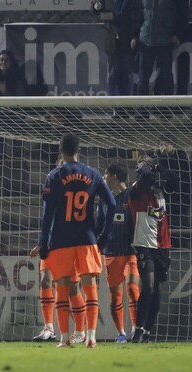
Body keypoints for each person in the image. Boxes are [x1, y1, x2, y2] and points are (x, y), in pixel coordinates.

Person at [33, 133, 116, 348]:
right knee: (89, 287)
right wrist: (102, 232)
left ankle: (64, 339)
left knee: (62, 287)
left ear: (61, 151)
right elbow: (112, 204)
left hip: (61, 240)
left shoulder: (55, 175)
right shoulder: (93, 174)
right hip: (87, 239)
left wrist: (43, 241)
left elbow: (47, 214)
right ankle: (91, 337)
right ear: (79, 150)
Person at [30, 157, 88, 345]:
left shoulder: (80, 186)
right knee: (45, 280)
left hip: (71, 242)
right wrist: (42, 242)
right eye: (60, 162)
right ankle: (49, 328)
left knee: (72, 288)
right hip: (52, 242)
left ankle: (80, 331)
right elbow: (47, 215)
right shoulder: (53, 183)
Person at [128, 153, 177, 343]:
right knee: (147, 287)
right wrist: (148, 165)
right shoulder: (137, 190)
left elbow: (174, 178)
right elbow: (146, 174)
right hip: (143, 244)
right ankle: (138, 330)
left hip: (162, 245)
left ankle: (147, 331)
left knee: (156, 290)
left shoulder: (160, 189)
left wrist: (161, 168)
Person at [97, 162, 140, 343]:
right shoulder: (104, 200)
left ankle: (136, 330)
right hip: (112, 253)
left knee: (132, 288)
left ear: (114, 176)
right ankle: (121, 333)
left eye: (105, 174)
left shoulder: (131, 195)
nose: (103, 177)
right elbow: (100, 225)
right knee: (115, 296)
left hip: (131, 251)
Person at [131, 0, 188, 96]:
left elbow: (182, 14)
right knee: (143, 78)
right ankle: (142, 109)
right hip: (146, 41)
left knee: (166, 78)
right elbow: (137, 14)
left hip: (166, 42)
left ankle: (166, 108)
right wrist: (134, 35)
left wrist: (177, 34)